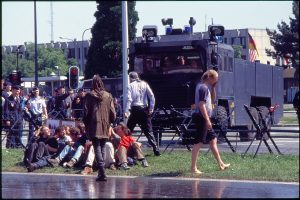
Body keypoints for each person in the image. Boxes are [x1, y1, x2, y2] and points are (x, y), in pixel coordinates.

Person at [191, 69, 230, 174]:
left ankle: (221, 164)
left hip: (204, 117)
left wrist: (213, 88)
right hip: (202, 118)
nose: (216, 81)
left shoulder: (206, 87)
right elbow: (201, 105)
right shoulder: (203, 88)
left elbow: (213, 100)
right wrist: (207, 120)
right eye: (215, 79)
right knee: (198, 143)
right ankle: (193, 168)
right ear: (210, 77)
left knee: (213, 140)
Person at [83, 74, 116, 182]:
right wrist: (109, 122)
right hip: (105, 124)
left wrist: (86, 123)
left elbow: (86, 112)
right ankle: (101, 172)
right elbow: (113, 113)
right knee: (101, 147)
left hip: (93, 124)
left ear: (93, 83)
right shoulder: (108, 95)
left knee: (97, 146)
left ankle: (101, 170)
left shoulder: (89, 95)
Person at [124, 71, 161, 156]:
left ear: (130, 78)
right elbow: (152, 96)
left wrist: (126, 110)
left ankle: (125, 148)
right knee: (148, 130)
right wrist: (151, 108)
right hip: (144, 109)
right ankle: (156, 149)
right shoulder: (144, 84)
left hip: (135, 109)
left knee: (128, 129)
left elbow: (129, 99)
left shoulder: (130, 86)